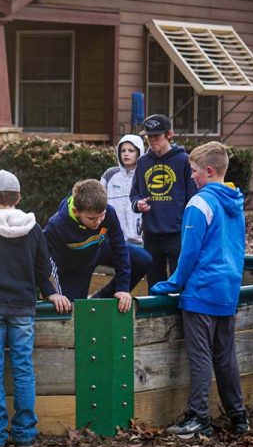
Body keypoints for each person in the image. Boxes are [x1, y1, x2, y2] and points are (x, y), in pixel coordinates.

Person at [0, 171, 70, 447]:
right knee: (23, 368)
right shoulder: (33, 229)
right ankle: (24, 434)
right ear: (19, 198)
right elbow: (44, 270)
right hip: (23, 308)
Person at [152, 142, 248, 438]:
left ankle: (199, 417)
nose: (191, 177)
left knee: (201, 357)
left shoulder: (199, 203)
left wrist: (173, 283)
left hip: (202, 290)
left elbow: (189, 252)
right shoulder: (235, 201)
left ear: (208, 170)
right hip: (228, 288)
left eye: (194, 171)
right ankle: (238, 416)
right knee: (225, 356)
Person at [43, 179, 150, 312]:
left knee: (142, 260)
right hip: (72, 265)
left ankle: (101, 298)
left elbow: (119, 248)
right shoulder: (57, 225)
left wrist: (123, 289)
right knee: (70, 309)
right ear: (76, 211)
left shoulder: (109, 213)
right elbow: (43, 260)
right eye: (92, 218)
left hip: (99, 248)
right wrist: (52, 292)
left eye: (102, 216)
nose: (98, 222)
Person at [130, 114, 197, 291]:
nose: (152, 141)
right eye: (148, 136)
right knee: (155, 285)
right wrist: (138, 204)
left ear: (169, 134)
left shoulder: (184, 161)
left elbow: (193, 198)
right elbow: (134, 195)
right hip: (151, 234)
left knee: (180, 283)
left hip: (177, 233)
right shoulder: (143, 162)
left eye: (156, 136)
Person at [101, 134, 145, 247]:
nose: (126, 153)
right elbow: (99, 201)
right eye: (123, 150)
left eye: (131, 150)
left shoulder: (144, 175)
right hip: (115, 239)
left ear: (139, 152)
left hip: (140, 240)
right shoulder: (110, 174)